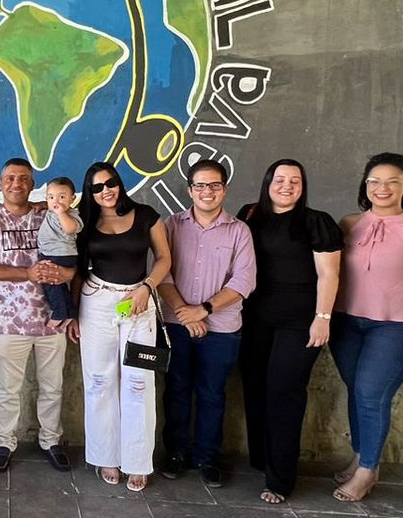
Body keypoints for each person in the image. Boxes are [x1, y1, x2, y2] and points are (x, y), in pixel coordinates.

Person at [329, 152, 403, 503]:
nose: (382, 188)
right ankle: (360, 456)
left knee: (371, 393)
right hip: (346, 322)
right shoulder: (348, 224)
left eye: (392, 182)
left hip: (395, 327)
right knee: (356, 389)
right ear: (365, 185)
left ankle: (368, 470)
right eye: (375, 181)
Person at [237, 160, 343, 505]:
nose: (286, 186)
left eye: (294, 180)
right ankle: (262, 460)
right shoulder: (249, 215)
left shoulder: (317, 222)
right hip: (254, 319)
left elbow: (329, 275)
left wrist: (323, 318)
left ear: (303, 186)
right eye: (280, 179)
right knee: (255, 389)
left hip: (299, 322)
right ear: (267, 183)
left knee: (284, 392)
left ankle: (280, 479)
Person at [71, 162, 171, 491]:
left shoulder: (145, 215)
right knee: (99, 381)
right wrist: (72, 313)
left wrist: (147, 288)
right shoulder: (84, 223)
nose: (106, 191)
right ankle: (106, 457)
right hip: (97, 302)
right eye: (97, 187)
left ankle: (138, 461)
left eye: (110, 183)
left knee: (139, 382)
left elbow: (164, 258)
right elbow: (77, 271)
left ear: (119, 182)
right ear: (90, 193)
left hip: (138, 302)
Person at [0, 157, 74, 473]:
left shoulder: (49, 215)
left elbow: (74, 256)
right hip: (10, 322)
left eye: (24, 178)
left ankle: (51, 441)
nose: (17, 183)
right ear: (1, 184)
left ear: (33, 184)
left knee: (53, 387)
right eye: (10, 178)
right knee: (8, 388)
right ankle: (4, 442)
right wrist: (27, 273)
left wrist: (68, 275)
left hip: (52, 321)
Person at [158, 158, 257, 488]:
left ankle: (207, 457)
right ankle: (175, 452)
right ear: (190, 190)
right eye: (200, 185)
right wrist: (185, 313)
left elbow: (244, 281)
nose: (207, 191)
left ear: (224, 189)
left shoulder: (239, 230)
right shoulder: (172, 225)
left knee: (212, 393)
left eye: (214, 185)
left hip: (222, 328)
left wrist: (204, 310)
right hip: (177, 324)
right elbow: (162, 274)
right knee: (176, 390)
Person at [38, 177, 80, 332]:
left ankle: (59, 312)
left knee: (50, 282)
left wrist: (61, 212)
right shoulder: (51, 211)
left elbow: (70, 229)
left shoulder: (72, 215)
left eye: (62, 197)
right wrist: (47, 205)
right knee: (59, 285)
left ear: (72, 199)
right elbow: (49, 204)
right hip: (51, 253)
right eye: (51, 197)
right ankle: (69, 311)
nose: (56, 201)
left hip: (60, 254)